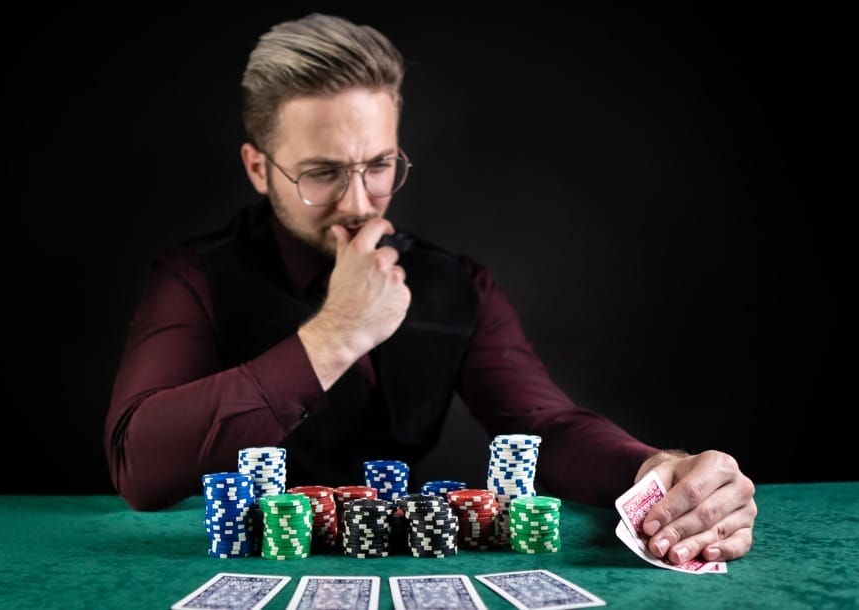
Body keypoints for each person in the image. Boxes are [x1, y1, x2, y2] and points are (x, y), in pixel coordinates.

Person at [103, 13, 756, 564]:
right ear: (258, 168)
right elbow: (139, 471)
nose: (359, 202)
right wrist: (334, 336)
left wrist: (655, 469)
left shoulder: (456, 283)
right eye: (322, 173)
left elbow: (545, 428)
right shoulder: (193, 277)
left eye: (380, 165)